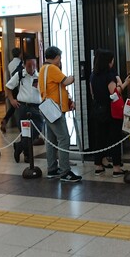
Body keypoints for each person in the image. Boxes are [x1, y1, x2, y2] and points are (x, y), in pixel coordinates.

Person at [38, 46, 82, 182]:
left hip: (47, 108)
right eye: (60, 57)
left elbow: (57, 87)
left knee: (51, 140)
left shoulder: (43, 69)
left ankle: (52, 169)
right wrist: (75, 76)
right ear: (56, 57)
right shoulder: (52, 68)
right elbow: (66, 81)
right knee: (64, 139)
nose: (60, 60)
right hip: (55, 110)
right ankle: (65, 171)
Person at [89, 49, 130, 177]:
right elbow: (114, 93)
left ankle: (98, 166)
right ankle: (117, 168)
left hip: (98, 110)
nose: (113, 62)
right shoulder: (109, 76)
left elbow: (92, 94)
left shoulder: (93, 75)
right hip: (110, 111)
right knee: (114, 138)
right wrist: (124, 84)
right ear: (108, 62)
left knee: (99, 138)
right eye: (112, 60)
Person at [5, 56, 44, 163]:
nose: (32, 68)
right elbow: (8, 87)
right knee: (25, 132)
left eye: (34, 65)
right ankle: (27, 155)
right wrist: (12, 100)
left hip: (36, 107)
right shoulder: (20, 75)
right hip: (23, 107)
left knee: (38, 127)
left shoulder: (39, 76)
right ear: (24, 65)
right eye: (29, 66)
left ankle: (19, 146)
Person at [0, 48, 24, 133]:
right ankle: (21, 125)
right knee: (19, 106)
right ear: (20, 54)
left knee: (14, 106)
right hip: (20, 87)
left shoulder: (10, 64)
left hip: (12, 87)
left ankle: (5, 119)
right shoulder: (21, 63)